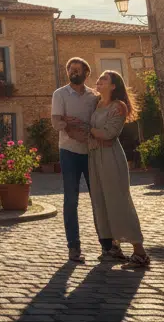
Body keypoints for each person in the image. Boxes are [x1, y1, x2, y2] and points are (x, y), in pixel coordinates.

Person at [52, 57, 118, 263]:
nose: (74, 72)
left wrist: (76, 126)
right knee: (71, 200)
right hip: (68, 152)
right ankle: (74, 247)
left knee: (98, 199)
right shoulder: (60, 94)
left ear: (86, 73)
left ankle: (107, 245)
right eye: (71, 69)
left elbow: (97, 121)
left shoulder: (93, 97)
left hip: (92, 152)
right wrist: (68, 126)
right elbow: (56, 122)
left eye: (78, 69)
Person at [87, 70, 150, 269]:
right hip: (95, 156)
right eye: (100, 78)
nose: (99, 80)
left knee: (119, 201)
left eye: (104, 79)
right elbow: (100, 135)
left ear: (114, 86)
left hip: (111, 157)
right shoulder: (96, 104)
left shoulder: (119, 106)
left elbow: (109, 133)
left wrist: (89, 131)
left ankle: (140, 252)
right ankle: (114, 247)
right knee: (101, 201)